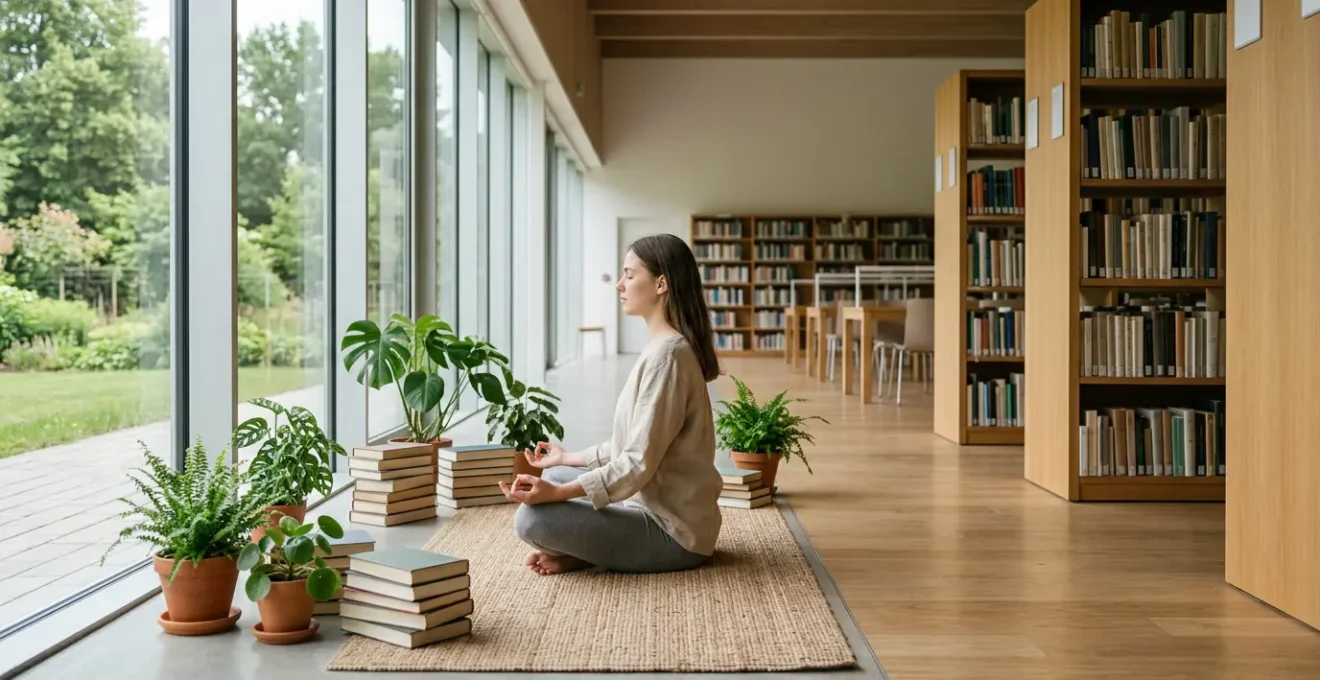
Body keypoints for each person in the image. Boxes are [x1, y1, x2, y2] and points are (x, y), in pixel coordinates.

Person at [498, 233, 725, 576]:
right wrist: (565, 458)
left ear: (661, 284)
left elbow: (635, 463)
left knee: (531, 519)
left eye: (629, 275)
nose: (620, 285)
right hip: (646, 505)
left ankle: (594, 552)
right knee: (555, 473)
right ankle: (592, 552)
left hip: (674, 533)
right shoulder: (662, 348)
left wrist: (559, 494)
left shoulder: (669, 357)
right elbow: (631, 444)